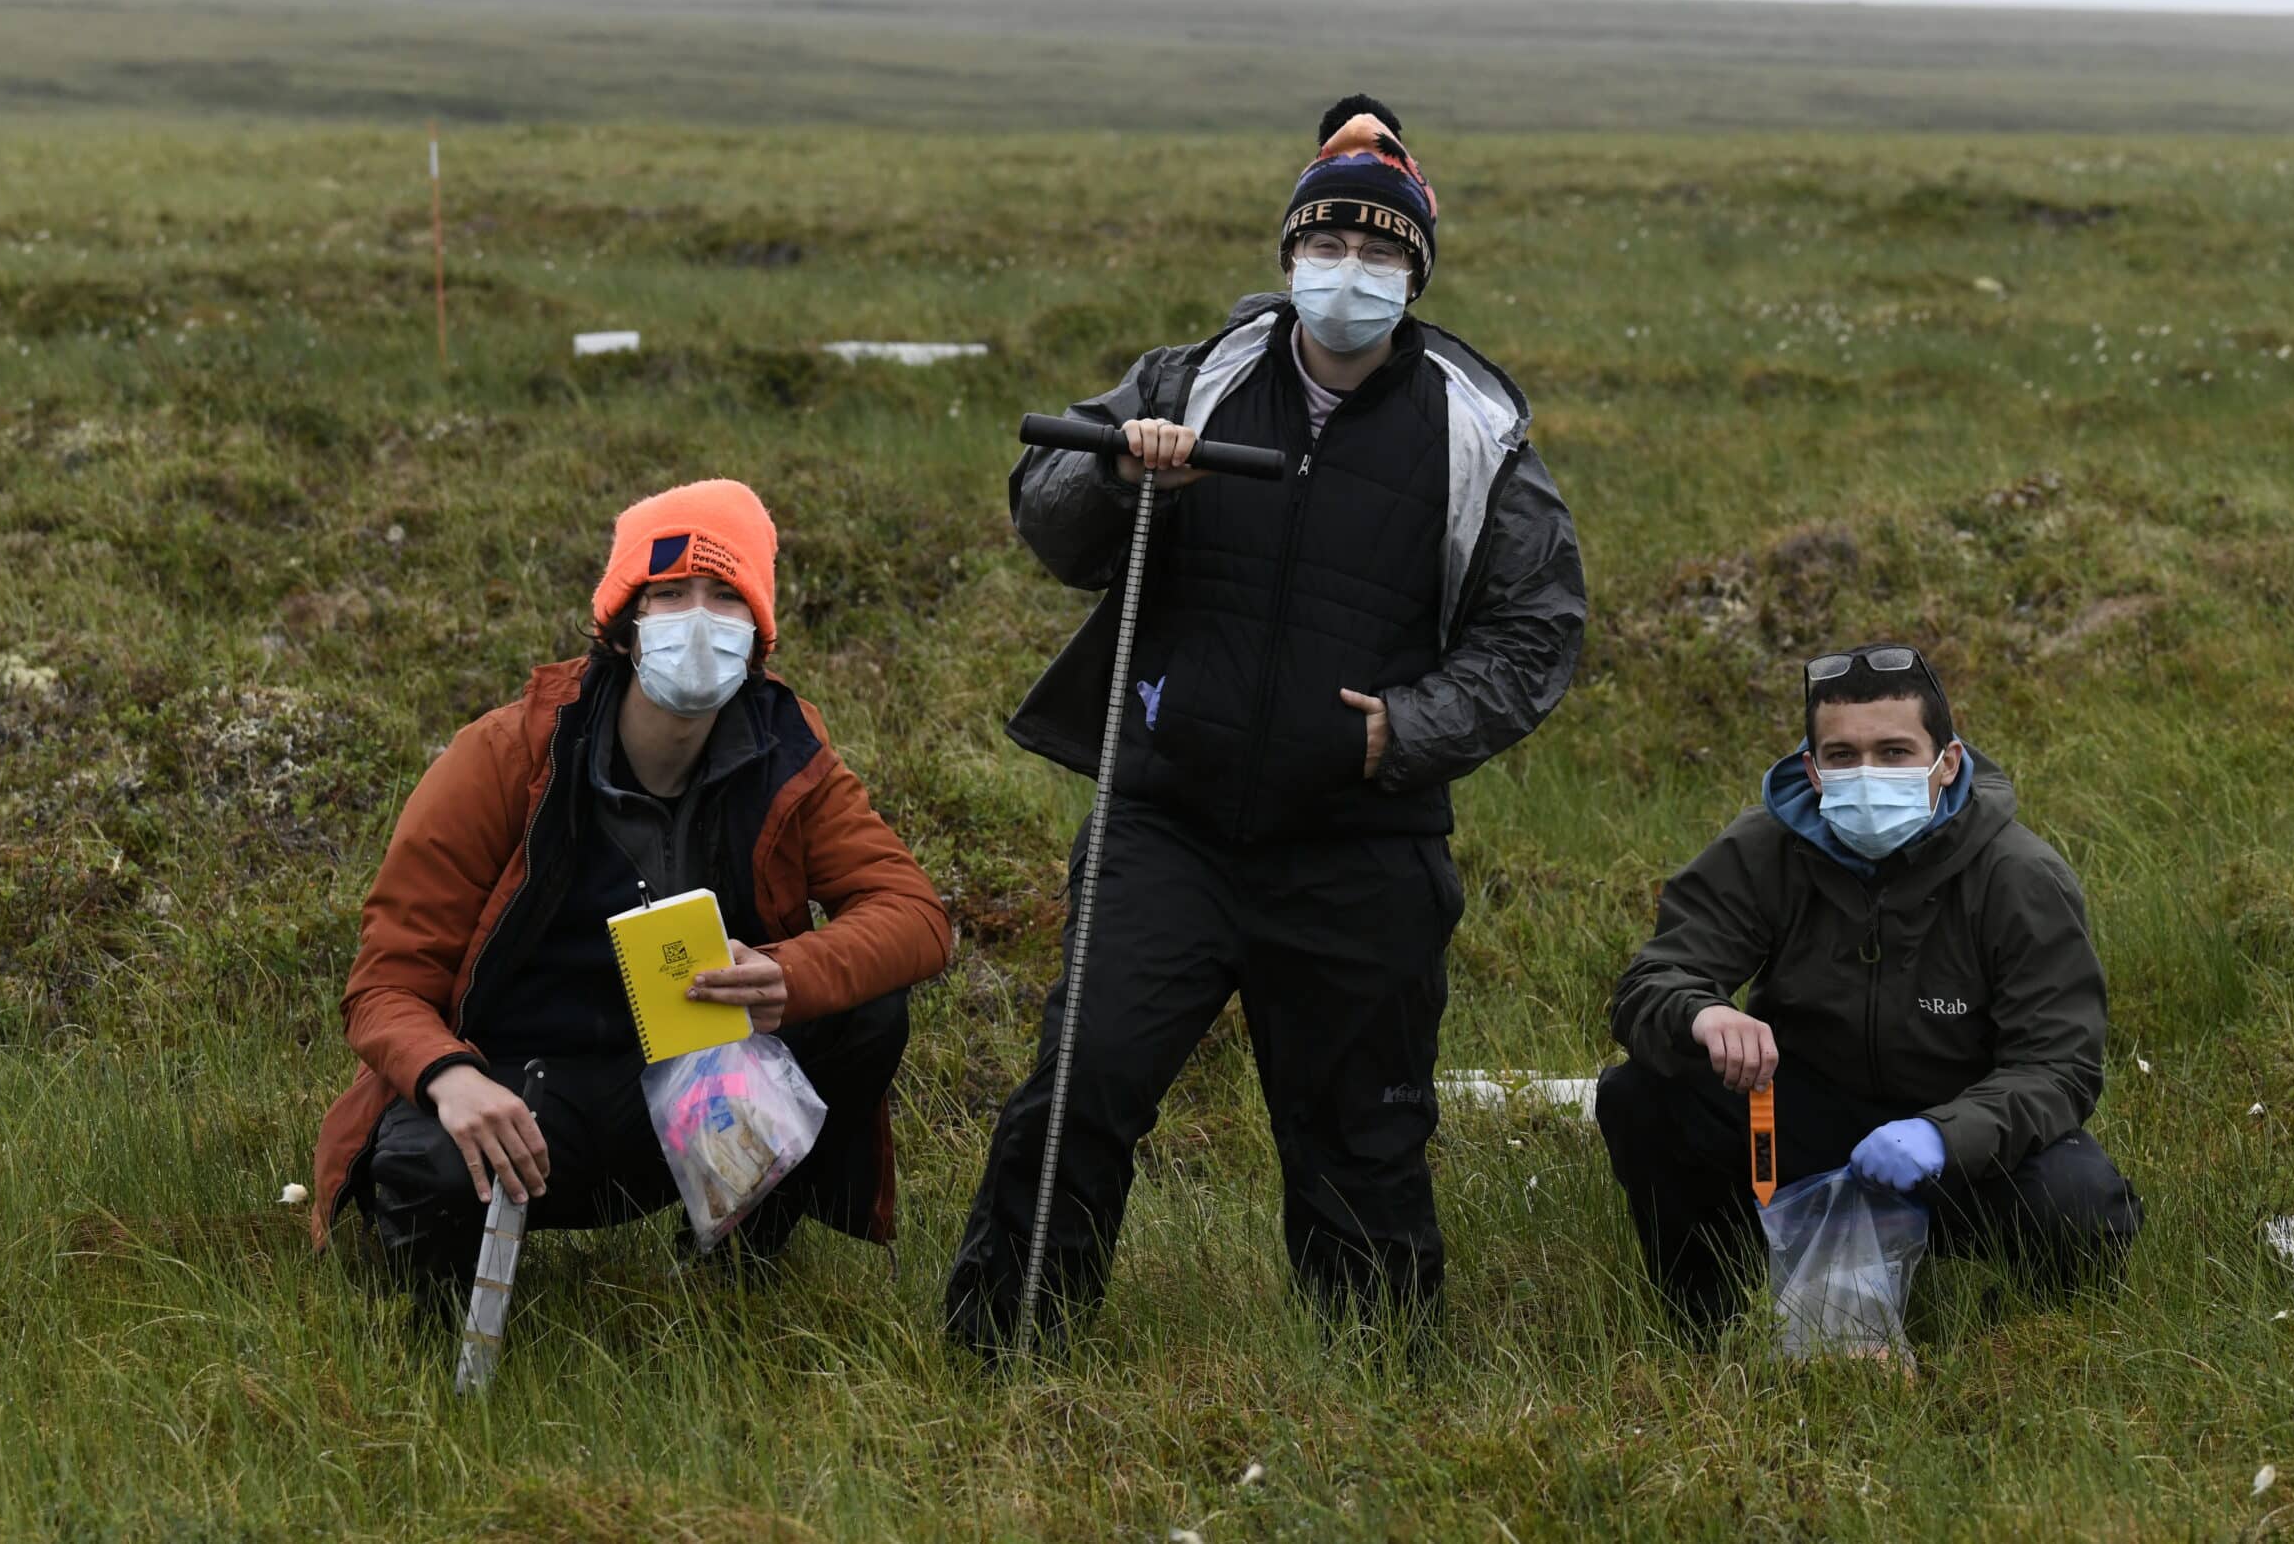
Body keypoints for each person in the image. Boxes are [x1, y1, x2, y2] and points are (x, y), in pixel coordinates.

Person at [946, 95, 1587, 1351]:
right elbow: (1046, 515)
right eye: (1327, 245)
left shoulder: (1476, 429)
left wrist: (1401, 731)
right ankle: (1000, 1358)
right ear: (1289, 254)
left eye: (1380, 253)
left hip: (1361, 846)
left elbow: (1537, 635)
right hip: (1166, 825)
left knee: (1363, 1140)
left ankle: (1372, 1392)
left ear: (1416, 270)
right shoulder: (1196, 374)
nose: (1349, 273)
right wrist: (1118, 470)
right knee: (1075, 1092)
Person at [308, 479, 951, 1290]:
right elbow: (384, 987)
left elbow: (917, 916)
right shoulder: (504, 757)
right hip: (523, 1091)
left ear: (758, 633)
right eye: (670, 594)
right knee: (427, 1162)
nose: (697, 620)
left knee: (863, 1010)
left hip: (697, 1085)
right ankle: (426, 1312)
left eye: (725, 597)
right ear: (621, 626)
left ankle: (738, 1259)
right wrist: (452, 1077)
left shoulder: (788, 753)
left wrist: (790, 977)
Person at [1596, 643, 2142, 1331]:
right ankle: (1711, 1322)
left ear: (1946, 762)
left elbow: (2060, 1069)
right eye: (1843, 756)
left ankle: (2019, 1341)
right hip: (1799, 1126)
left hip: (1956, 1144)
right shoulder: (1762, 850)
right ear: (1813, 771)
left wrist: (1943, 1135)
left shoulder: (2020, 876)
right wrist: (1701, 1014)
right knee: (1640, 1093)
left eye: (1893, 752)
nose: (1867, 774)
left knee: (2082, 1200)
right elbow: (1652, 980)